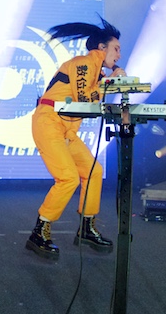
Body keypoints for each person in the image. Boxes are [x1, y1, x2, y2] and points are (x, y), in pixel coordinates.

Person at [26, 16, 126, 260]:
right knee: (68, 177)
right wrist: (110, 82)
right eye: (116, 48)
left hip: (66, 130)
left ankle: (86, 228)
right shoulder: (83, 63)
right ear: (101, 48)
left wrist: (107, 82)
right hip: (48, 122)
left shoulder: (96, 73)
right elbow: (85, 99)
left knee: (93, 171)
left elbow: (89, 98)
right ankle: (39, 232)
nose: (119, 55)